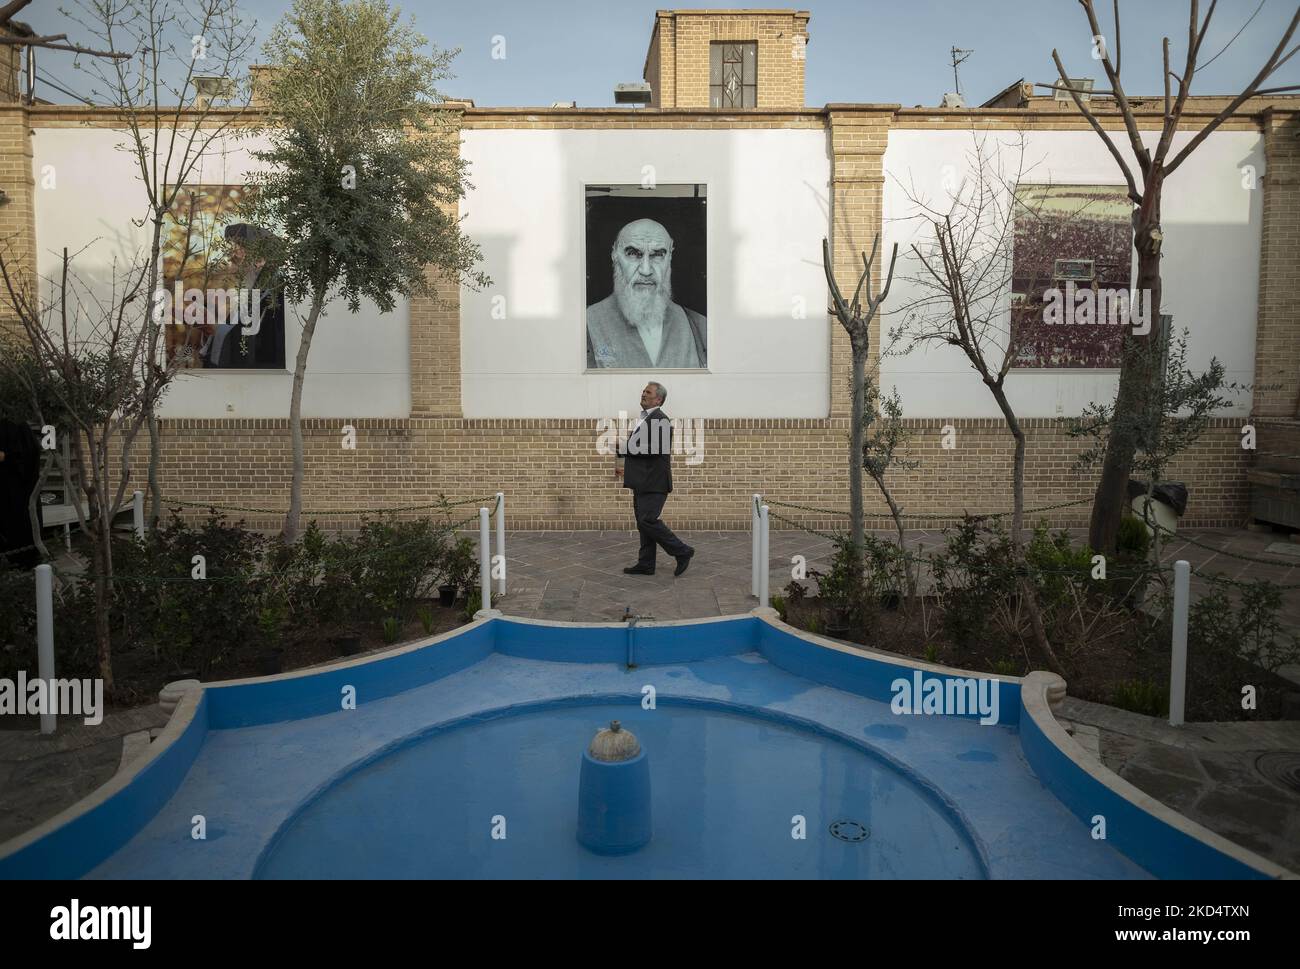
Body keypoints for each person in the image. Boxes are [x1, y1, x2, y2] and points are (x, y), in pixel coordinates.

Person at [587, 219, 706, 369]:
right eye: (633, 254)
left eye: (657, 255)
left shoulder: (700, 327)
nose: (646, 270)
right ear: (614, 255)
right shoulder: (585, 324)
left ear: (670, 256)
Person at [616, 381, 694, 576]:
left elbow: (655, 449)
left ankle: (682, 551)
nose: (643, 394)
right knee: (643, 524)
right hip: (642, 482)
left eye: (647, 392)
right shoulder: (646, 419)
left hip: (653, 482)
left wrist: (625, 448)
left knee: (648, 520)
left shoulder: (660, 419)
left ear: (658, 399)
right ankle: (646, 563)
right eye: (643, 390)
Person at [201, 223, 286, 370]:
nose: (229, 259)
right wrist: (209, 328)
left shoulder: (274, 299)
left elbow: (261, 353)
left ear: (259, 260)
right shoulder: (253, 297)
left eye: (236, 255)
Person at [0, 420, 40, 568]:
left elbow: (30, 452)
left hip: (17, 493)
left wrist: (6, 456)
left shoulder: (16, 423)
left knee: (18, 531)